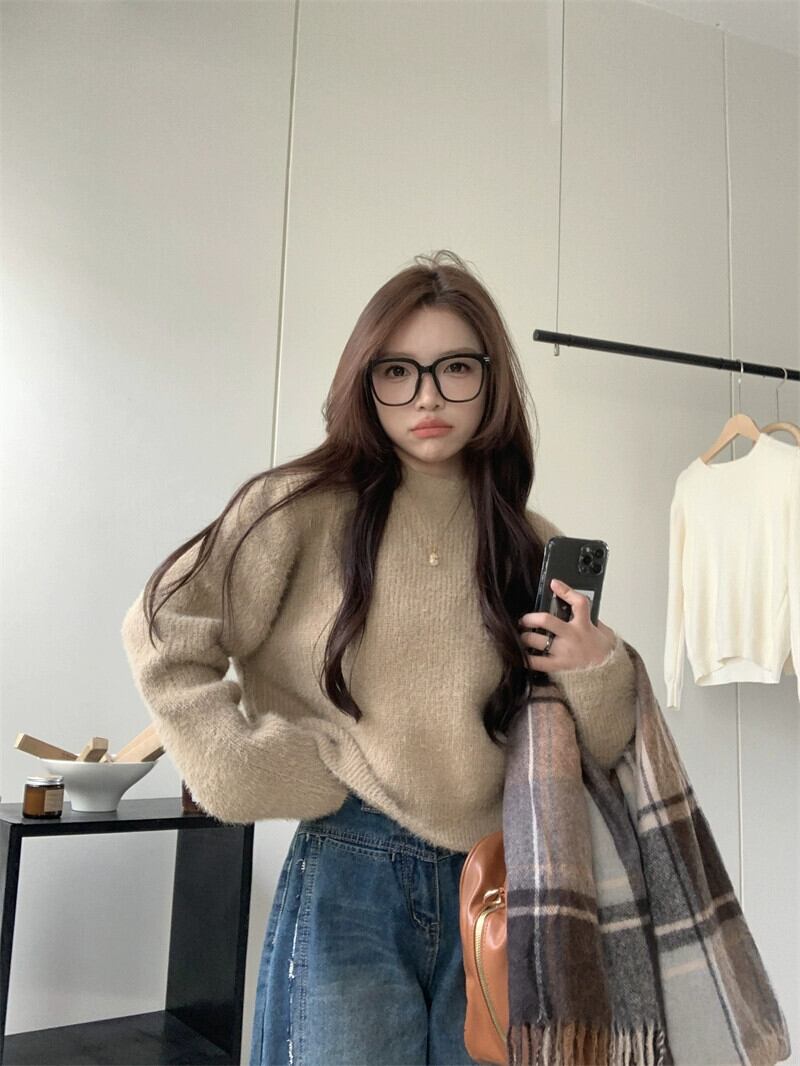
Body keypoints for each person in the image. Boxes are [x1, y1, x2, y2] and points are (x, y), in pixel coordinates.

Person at [121, 250, 637, 1066]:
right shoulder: (296, 508)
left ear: (492, 381)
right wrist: (241, 768)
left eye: (455, 368)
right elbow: (163, 627)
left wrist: (597, 666)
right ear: (365, 382)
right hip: (349, 869)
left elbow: (598, 749)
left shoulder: (528, 541)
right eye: (398, 371)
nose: (427, 397)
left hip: (498, 878)